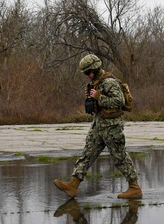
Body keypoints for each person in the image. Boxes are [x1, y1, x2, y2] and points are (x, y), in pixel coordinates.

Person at [53, 54, 141, 200]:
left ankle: (134, 187)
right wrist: (91, 99)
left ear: (95, 68)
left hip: (112, 126)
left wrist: (99, 96)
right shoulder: (96, 82)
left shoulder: (109, 82)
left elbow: (118, 102)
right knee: (87, 153)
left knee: (120, 156)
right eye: (85, 73)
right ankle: (73, 184)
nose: (87, 76)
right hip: (99, 124)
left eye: (89, 72)